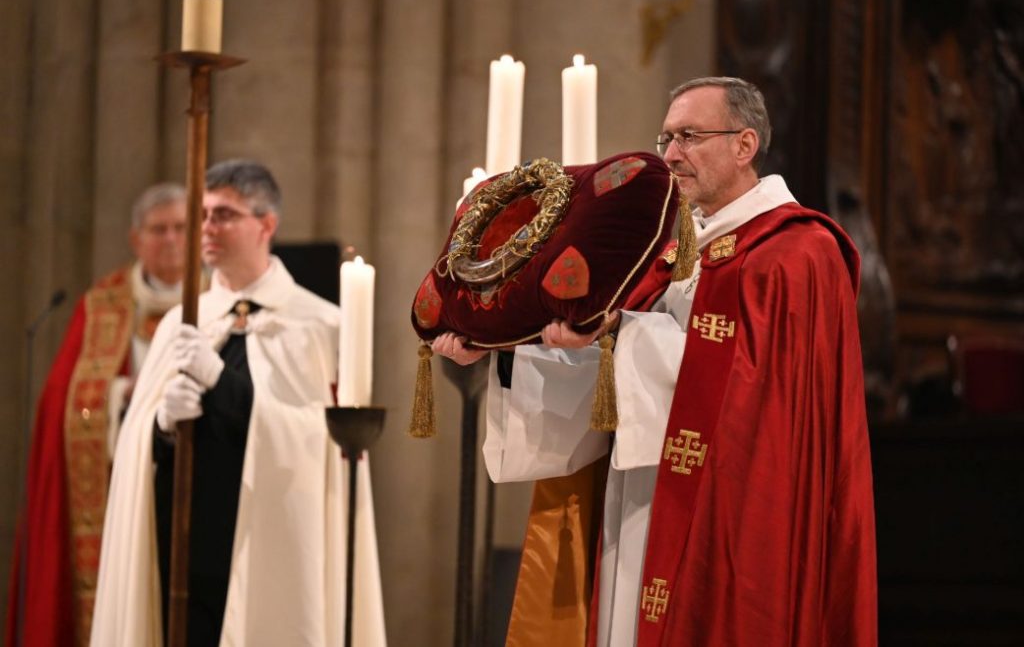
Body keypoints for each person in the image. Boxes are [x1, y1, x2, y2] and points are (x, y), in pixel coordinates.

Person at [434, 77, 877, 646]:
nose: (670, 154)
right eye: (665, 137)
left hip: (735, 514)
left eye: (689, 136)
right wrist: (500, 345)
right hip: (641, 501)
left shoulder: (799, 252)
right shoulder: (670, 255)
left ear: (745, 146)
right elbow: (606, 380)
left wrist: (624, 331)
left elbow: (759, 393)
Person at [90, 160, 386, 647]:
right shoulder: (183, 323)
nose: (207, 228)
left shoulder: (319, 326)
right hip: (186, 542)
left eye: (224, 214)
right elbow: (138, 454)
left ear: (266, 224)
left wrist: (220, 382)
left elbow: (323, 447)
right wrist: (160, 425)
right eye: (203, 214)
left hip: (271, 544)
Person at [6, 182, 188, 647]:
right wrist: (123, 397)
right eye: (159, 229)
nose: (170, 239)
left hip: (191, 475)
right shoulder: (102, 304)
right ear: (136, 239)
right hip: (115, 485)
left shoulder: (219, 301)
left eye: (181, 227)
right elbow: (61, 402)